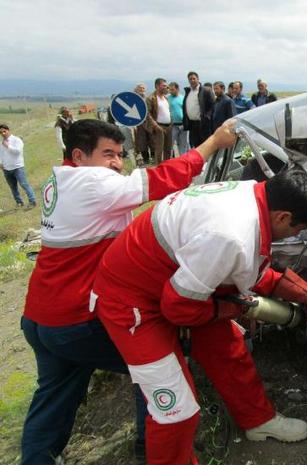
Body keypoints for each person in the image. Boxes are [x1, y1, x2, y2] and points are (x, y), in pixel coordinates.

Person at [20, 118, 238, 465]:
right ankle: (149, 445)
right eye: (108, 154)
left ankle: (37, 459)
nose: (117, 164)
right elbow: (161, 179)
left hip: (41, 316)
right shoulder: (92, 182)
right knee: (154, 363)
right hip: (77, 317)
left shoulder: (59, 180)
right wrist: (213, 142)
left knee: (53, 395)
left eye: (120, 155)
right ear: (78, 155)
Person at [92, 170, 307, 465]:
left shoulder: (255, 194)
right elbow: (179, 309)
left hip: (170, 281)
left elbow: (245, 268)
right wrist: (231, 310)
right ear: (282, 217)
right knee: (175, 409)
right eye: (299, 229)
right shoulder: (230, 234)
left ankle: (258, 420)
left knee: (229, 348)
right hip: (129, 299)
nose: (298, 235)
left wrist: (302, 292)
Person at [0, 123, 36, 208]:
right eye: (1, 133)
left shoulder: (17, 140)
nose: (3, 134)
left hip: (18, 167)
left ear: (8, 130)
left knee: (24, 184)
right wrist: (0, 163)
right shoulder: (2, 143)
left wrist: (8, 146)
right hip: (6, 169)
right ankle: (19, 202)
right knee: (13, 187)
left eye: (4, 131)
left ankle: (32, 201)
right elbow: (1, 154)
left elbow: (18, 152)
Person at [182, 71, 214, 149]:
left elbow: (212, 106)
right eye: (190, 79)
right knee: (196, 146)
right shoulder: (188, 92)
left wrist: (207, 117)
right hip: (192, 125)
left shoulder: (206, 90)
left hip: (203, 124)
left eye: (194, 78)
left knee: (205, 146)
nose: (192, 80)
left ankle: (207, 161)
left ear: (198, 79)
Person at [146, 78, 173, 164]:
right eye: (164, 86)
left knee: (168, 149)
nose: (166, 87)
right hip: (158, 127)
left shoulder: (166, 98)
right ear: (157, 86)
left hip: (168, 126)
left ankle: (167, 167)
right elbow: (147, 114)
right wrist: (156, 126)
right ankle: (159, 168)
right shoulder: (151, 98)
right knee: (159, 150)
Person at [167, 82, 189, 156]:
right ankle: (169, 160)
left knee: (183, 145)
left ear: (177, 89)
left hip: (183, 125)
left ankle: (182, 160)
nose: (170, 91)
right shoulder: (167, 98)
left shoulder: (183, 98)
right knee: (170, 144)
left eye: (172, 89)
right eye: (170, 89)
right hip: (173, 125)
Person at [133, 83, 152, 166]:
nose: (142, 89)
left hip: (149, 122)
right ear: (136, 89)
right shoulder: (133, 99)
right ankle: (145, 158)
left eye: (143, 88)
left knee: (152, 140)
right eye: (140, 88)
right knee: (142, 141)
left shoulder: (149, 98)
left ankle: (153, 157)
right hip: (139, 124)